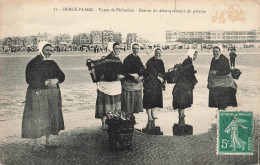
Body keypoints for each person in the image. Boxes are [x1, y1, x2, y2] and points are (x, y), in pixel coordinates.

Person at [22, 41, 65, 148]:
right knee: (39, 116)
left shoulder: (52, 62)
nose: (50, 52)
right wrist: (44, 82)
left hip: (52, 94)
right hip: (38, 93)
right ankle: (37, 142)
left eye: (51, 50)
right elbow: (29, 79)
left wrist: (57, 80)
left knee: (51, 115)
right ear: (41, 50)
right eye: (47, 50)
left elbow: (62, 75)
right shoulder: (34, 63)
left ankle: (49, 141)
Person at [95, 42, 125, 129]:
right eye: (116, 48)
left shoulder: (118, 59)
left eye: (119, 48)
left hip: (115, 85)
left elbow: (122, 70)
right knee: (105, 105)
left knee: (114, 105)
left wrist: (122, 75)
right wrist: (116, 76)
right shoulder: (107, 59)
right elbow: (105, 74)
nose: (118, 50)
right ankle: (104, 123)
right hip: (106, 86)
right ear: (112, 49)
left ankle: (113, 122)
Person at [172, 49, 198, 126]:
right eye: (195, 55)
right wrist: (194, 82)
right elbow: (189, 74)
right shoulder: (189, 63)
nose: (196, 56)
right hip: (184, 84)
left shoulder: (186, 61)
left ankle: (181, 114)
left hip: (181, 84)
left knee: (181, 99)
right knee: (183, 100)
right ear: (191, 55)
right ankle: (181, 115)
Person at [208, 46, 237, 111]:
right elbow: (210, 71)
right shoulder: (213, 59)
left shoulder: (225, 59)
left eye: (217, 51)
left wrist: (217, 73)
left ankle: (223, 112)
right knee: (217, 100)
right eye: (214, 51)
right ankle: (219, 111)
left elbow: (227, 71)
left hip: (224, 84)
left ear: (220, 51)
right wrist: (208, 81)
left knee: (223, 101)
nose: (215, 53)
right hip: (215, 83)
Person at [122, 43, 145, 115]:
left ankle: (132, 117)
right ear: (132, 49)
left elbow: (142, 69)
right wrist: (133, 77)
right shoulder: (127, 59)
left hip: (137, 83)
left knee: (135, 101)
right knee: (129, 102)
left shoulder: (138, 58)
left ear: (139, 49)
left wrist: (141, 77)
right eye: (134, 48)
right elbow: (124, 72)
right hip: (129, 83)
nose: (136, 50)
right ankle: (128, 117)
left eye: (137, 48)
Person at [143, 47, 165, 120]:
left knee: (155, 99)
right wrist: (158, 77)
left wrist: (163, 82)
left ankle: (153, 114)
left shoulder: (161, 61)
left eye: (159, 53)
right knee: (149, 100)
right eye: (156, 53)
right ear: (154, 53)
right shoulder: (150, 61)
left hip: (157, 83)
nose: (158, 54)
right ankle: (149, 116)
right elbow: (150, 72)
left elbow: (163, 72)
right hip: (149, 83)